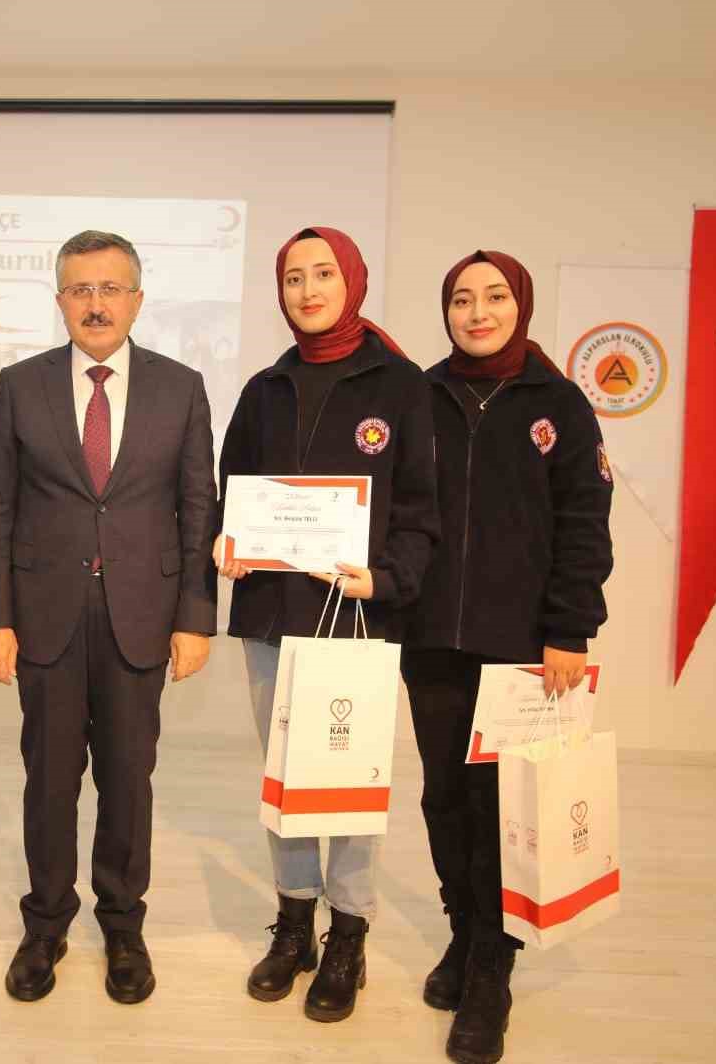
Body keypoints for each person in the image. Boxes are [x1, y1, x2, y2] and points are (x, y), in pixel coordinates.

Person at [0, 230, 218, 1005]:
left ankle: (122, 925)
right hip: (44, 618)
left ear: (138, 301)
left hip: (141, 619)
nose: (96, 303)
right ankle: (45, 922)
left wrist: (196, 617)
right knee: (48, 782)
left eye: (111, 288)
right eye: (80, 289)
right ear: (60, 302)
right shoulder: (20, 384)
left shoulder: (182, 387)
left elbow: (195, 507)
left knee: (127, 782)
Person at [215, 226, 439, 1022]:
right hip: (273, 616)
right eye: (293, 278)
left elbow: (421, 513)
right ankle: (294, 924)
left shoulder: (401, 386)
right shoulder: (263, 389)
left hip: (357, 621)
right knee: (283, 778)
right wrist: (227, 540)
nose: (308, 291)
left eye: (323, 275)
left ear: (353, 281)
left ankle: (349, 933)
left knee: (345, 785)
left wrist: (385, 580)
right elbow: (232, 491)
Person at [401, 250, 613, 1064]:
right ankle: (464, 932)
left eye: (493, 297)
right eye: (461, 298)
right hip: (431, 641)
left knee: (502, 806)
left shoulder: (559, 403)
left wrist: (569, 629)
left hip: (524, 649)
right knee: (444, 797)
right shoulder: (420, 394)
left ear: (519, 305)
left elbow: (585, 523)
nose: (477, 311)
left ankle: (494, 962)